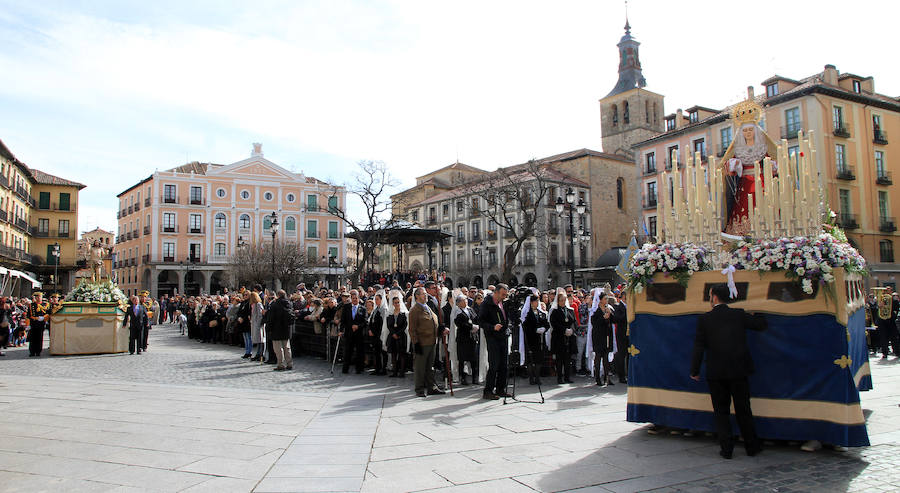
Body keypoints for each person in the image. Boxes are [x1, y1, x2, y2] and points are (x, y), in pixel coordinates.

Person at [690, 283, 767, 459]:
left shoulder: (705, 319)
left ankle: (726, 449)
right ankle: (752, 446)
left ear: (714, 297)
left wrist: (695, 369)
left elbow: (698, 346)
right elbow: (760, 324)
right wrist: (761, 307)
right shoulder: (738, 314)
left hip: (716, 372)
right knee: (744, 409)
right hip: (739, 370)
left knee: (721, 412)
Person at [408, 287, 445, 397]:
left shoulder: (428, 307)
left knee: (430, 367)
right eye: (423, 294)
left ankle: (431, 387)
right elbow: (412, 329)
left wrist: (440, 329)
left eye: (426, 294)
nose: (426, 296)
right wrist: (416, 343)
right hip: (422, 343)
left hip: (432, 341)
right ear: (417, 296)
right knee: (420, 367)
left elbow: (433, 321)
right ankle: (419, 388)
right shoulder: (415, 310)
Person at [478, 283, 510, 400]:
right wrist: (492, 327)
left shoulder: (503, 303)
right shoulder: (486, 304)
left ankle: (501, 389)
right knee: (494, 364)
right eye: (502, 294)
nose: (504, 297)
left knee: (504, 365)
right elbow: (481, 321)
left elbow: (507, 318)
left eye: (506, 295)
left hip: (503, 336)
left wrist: (508, 327)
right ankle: (488, 390)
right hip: (492, 338)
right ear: (496, 292)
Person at [521, 290, 549, 385]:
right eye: (535, 301)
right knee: (530, 359)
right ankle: (531, 377)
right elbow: (525, 326)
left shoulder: (541, 313)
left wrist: (544, 328)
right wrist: (534, 330)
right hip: (530, 339)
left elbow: (546, 323)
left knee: (539, 359)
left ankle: (537, 377)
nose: (537, 303)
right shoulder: (527, 313)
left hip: (540, 339)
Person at [549, 288, 576, 384]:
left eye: (564, 300)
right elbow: (554, 323)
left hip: (569, 338)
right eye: (561, 300)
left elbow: (573, 322)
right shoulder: (555, 311)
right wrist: (564, 330)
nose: (563, 302)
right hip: (559, 337)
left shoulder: (570, 310)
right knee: (560, 359)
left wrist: (571, 330)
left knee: (568, 359)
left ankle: (567, 377)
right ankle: (559, 377)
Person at [451, 293, 479, 385]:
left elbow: (475, 318)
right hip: (463, 338)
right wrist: (471, 327)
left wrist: (476, 326)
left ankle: (475, 378)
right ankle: (463, 378)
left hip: (472, 337)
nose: (466, 302)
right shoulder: (457, 312)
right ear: (459, 303)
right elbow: (460, 324)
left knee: (473, 359)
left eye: (466, 300)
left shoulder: (470, 309)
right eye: (464, 300)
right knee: (462, 359)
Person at [339, 289, 367, 374]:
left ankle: (359, 369)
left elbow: (365, 321)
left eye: (356, 298)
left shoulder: (363, 309)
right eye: (353, 298)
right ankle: (345, 369)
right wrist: (341, 330)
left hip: (358, 334)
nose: (355, 300)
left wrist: (358, 326)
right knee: (348, 351)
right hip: (349, 333)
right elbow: (343, 320)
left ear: (359, 299)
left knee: (359, 352)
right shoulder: (346, 307)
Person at [266, 289, 294, 371]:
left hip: (276, 329)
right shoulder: (289, 304)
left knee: (278, 348)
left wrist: (268, 328)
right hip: (286, 329)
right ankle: (289, 363)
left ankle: (280, 364)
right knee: (287, 347)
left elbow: (271, 318)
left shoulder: (275, 305)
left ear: (277, 295)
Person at [591, 292, 615, 386]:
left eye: (607, 299)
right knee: (598, 357)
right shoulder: (595, 310)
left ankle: (607, 377)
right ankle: (598, 378)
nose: (606, 301)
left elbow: (614, 320)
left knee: (606, 358)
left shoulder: (607, 309)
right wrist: (603, 318)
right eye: (605, 299)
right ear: (600, 300)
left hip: (607, 336)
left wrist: (610, 314)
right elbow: (595, 324)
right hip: (598, 336)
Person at [385, 292, 409, 377]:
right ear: (393, 304)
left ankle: (402, 372)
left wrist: (398, 333)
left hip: (401, 336)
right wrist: (393, 333)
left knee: (402, 355)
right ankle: (394, 371)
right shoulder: (390, 313)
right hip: (392, 336)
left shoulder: (404, 313)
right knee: (394, 354)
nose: (397, 304)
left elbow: (405, 325)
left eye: (398, 302)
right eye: (395, 303)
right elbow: (389, 325)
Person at [26, 291, 50, 357]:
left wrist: (44, 317)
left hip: (41, 323)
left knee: (39, 338)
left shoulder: (45, 304)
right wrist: (27, 325)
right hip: (34, 322)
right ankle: (32, 351)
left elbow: (48, 313)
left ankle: (38, 351)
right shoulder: (32, 305)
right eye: (36, 297)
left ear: (42, 297)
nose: (38, 298)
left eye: (39, 296)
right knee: (32, 338)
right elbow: (28, 315)